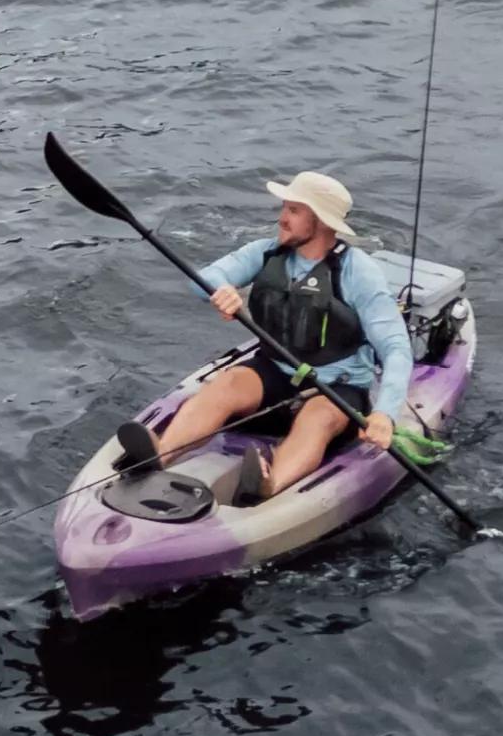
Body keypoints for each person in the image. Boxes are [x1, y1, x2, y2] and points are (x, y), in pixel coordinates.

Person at [120, 170, 412, 500]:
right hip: (275, 371)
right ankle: (161, 454)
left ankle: (268, 486)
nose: (282, 218)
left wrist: (385, 413)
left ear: (321, 222)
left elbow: (396, 347)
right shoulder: (267, 252)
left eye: (294, 211)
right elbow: (202, 279)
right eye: (285, 208)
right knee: (228, 384)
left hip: (336, 387)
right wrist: (221, 290)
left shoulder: (358, 271)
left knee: (316, 418)